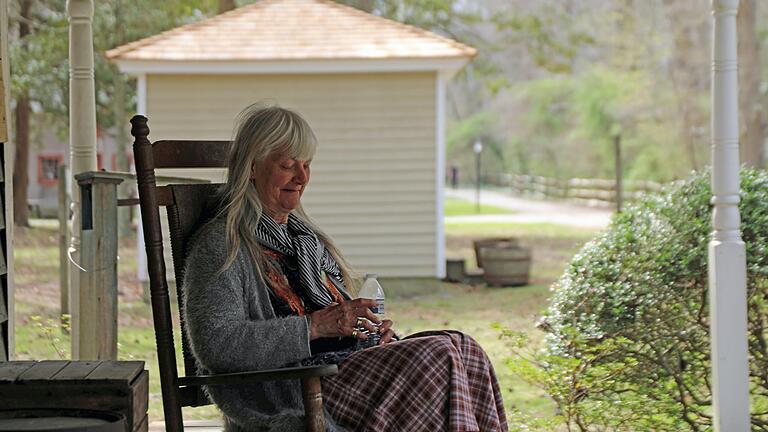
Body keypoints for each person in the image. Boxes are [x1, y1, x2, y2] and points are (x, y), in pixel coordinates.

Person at [183, 103, 508, 432]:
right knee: (436, 355)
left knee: (464, 347)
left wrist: (370, 333)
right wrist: (314, 327)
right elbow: (216, 345)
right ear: (252, 167)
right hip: (297, 386)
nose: (302, 177)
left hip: (343, 369)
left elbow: (338, 318)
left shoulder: (304, 239)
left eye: (307, 165)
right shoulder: (222, 245)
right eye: (287, 165)